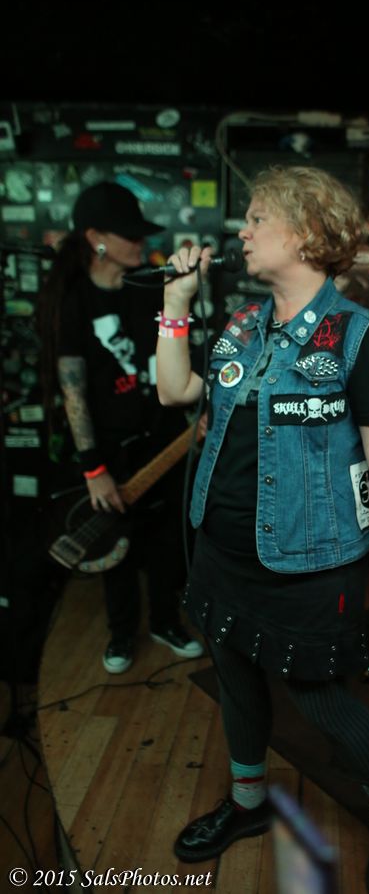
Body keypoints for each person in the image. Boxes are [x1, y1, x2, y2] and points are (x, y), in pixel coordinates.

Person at [156, 166, 369, 894]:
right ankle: (248, 803)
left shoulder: (360, 338)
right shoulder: (243, 325)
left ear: (306, 233)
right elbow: (176, 390)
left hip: (311, 560)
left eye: (255, 219)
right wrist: (175, 306)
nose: (241, 232)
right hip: (221, 547)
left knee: (323, 702)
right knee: (236, 680)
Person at [39, 181, 203, 674]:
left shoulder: (149, 286)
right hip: (111, 450)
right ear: (96, 238)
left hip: (165, 439)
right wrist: (94, 469)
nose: (141, 242)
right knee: (117, 550)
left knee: (168, 541)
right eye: (129, 234)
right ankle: (121, 633)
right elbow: (72, 390)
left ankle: (165, 622)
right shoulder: (72, 299)